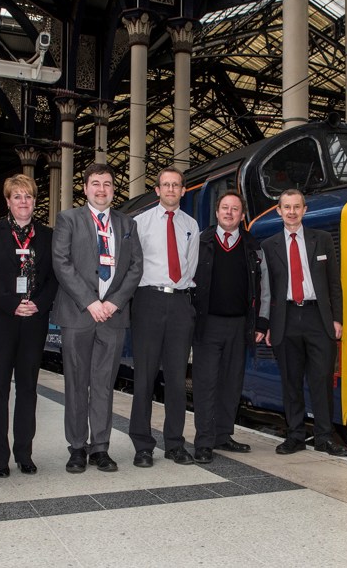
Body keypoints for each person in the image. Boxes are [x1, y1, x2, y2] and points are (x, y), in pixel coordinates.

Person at [52, 163, 142, 473]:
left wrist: (114, 303)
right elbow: (61, 263)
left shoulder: (127, 224)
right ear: (85, 188)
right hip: (79, 314)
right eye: (95, 184)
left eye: (107, 184)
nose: (101, 189)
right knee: (77, 383)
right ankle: (77, 447)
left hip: (113, 317)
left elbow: (135, 268)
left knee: (104, 384)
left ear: (114, 190)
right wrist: (91, 302)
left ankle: (100, 447)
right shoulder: (68, 219)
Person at [0, 174, 58, 478]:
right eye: (17, 196)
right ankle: (0, 457)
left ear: (35, 201)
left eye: (28, 196)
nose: (23, 201)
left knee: (28, 388)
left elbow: (54, 276)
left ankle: (24, 453)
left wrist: (39, 302)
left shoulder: (47, 235)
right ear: (8, 201)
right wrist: (13, 303)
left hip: (34, 319)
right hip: (1, 318)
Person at [261, 189, 347, 456]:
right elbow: (265, 290)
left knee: (321, 379)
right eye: (286, 207)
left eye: (296, 207)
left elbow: (335, 282)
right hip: (285, 319)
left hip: (317, 317)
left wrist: (337, 318)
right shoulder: (269, 245)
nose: (291, 211)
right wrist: (265, 325)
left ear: (305, 210)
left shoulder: (321, 240)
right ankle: (295, 435)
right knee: (291, 380)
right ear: (279, 211)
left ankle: (324, 437)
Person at [191, 192, 269, 463]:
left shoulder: (252, 246)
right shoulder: (201, 242)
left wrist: (260, 322)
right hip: (207, 324)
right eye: (224, 207)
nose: (229, 212)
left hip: (239, 325)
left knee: (232, 383)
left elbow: (263, 287)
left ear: (242, 215)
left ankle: (223, 436)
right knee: (205, 383)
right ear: (217, 212)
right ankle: (203, 441)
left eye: (235, 209)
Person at [129, 167, 199, 468]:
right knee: (144, 376)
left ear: (183, 191)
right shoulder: (139, 223)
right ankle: (143, 445)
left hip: (180, 301)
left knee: (175, 377)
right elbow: (132, 265)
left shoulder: (191, 225)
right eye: (165, 185)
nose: (171, 190)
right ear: (156, 190)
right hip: (148, 299)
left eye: (176, 185)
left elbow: (191, 266)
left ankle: (174, 443)